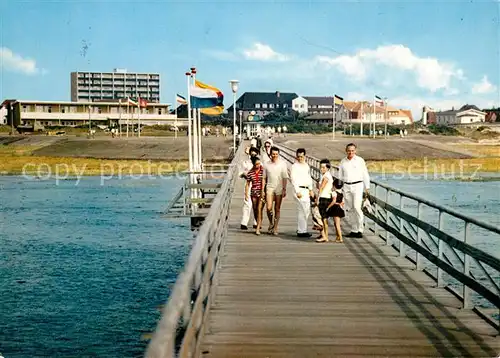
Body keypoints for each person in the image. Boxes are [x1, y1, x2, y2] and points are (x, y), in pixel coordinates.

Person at [338, 143, 370, 238]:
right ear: (346, 150)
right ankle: (354, 229)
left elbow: (365, 174)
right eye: (349, 150)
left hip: (358, 185)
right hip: (347, 186)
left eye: (352, 150)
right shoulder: (343, 161)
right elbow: (340, 176)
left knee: (357, 207)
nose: (350, 152)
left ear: (355, 151)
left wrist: (367, 187)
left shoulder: (360, 160)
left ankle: (360, 229)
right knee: (350, 209)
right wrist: (339, 189)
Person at [263, 146, 288, 235]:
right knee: (268, 208)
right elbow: (264, 178)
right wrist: (263, 189)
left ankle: (275, 227)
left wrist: (284, 189)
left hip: (279, 188)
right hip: (269, 187)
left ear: (278, 154)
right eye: (273, 154)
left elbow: (285, 177)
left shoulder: (283, 164)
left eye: (276, 154)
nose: (275, 155)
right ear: (270, 154)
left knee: (277, 208)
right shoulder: (266, 164)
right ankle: (271, 223)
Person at [290, 148, 313, 237]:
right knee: (302, 210)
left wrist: (311, 190)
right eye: (298, 157)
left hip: (306, 190)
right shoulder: (294, 166)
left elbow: (309, 178)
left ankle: (302, 228)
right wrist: (297, 191)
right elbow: (293, 179)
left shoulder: (306, 165)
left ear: (305, 156)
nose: (300, 158)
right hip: (299, 190)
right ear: (296, 156)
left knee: (306, 211)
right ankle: (301, 231)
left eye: (302, 157)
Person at [239, 147, 259, 230]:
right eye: (252, 154)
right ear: (249, 154)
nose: (253, 155)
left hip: (257, 185)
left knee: (257, 205)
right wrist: (245, 175)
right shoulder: (245, 163)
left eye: (255, 154)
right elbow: (240, 173)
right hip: (248, 184)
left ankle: (256, 222)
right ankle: (244, 223)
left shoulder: (260, 163)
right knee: (247, 203)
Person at [245, 156, 265, 235]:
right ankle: (258, 222)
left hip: (262, 192)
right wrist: (246, 194)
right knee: (255, 210)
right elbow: (247, 184)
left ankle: (257, 228)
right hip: (253, 193)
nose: (258, 165)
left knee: (259, 209)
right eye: (256, 164)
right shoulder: (250, 172)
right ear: (253, 164)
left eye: (259, 163)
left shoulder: (263, 170)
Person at [316, 159, 334, 243]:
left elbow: (321, 188)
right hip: (326, 197)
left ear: (328, 168)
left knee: (323, 218)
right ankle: (324, 235)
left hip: (324, 198)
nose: (321, 169)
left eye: (323, 167)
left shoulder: (326, 176)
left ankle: (325, 236)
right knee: (323, 217)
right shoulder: (326, 175)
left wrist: (317, 199)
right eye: (321, 167)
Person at [326, 178, 345, 243]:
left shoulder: (334, 193)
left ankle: (341, 238)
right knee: (336, 223)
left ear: (334, 185)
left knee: (337, 224)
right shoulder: (341, 193)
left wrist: (328, 207)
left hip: (335, 208)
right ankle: (337, 237)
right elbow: (343, 202)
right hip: (339, 208)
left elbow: (333, 201)